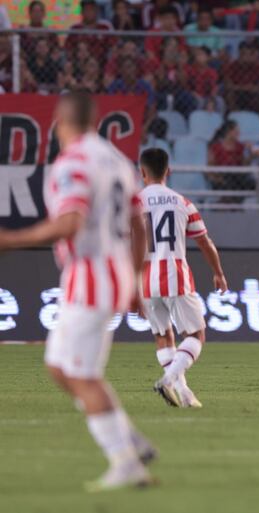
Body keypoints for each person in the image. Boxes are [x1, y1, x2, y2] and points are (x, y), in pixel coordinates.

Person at [0, 93, 155, 490]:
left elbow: (70, 222)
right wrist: (134, 278)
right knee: (59, 366)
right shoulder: (118, 161)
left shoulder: (73, 162)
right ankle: (130, 439)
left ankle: (125, 462)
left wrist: (12, 239)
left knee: (82, 374)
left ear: (57, 123)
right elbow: (140, 225)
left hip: (90, 275)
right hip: (113, 272)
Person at [138, 149, 228, 409]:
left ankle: (184, 393)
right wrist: (218, 272)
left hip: (144, 278)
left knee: (163, 336)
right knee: (196, 335)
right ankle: (168, 379)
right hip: (175, 275)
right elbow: (204, 242)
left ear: (142, 172)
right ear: (168, 171)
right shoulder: (182, 203)